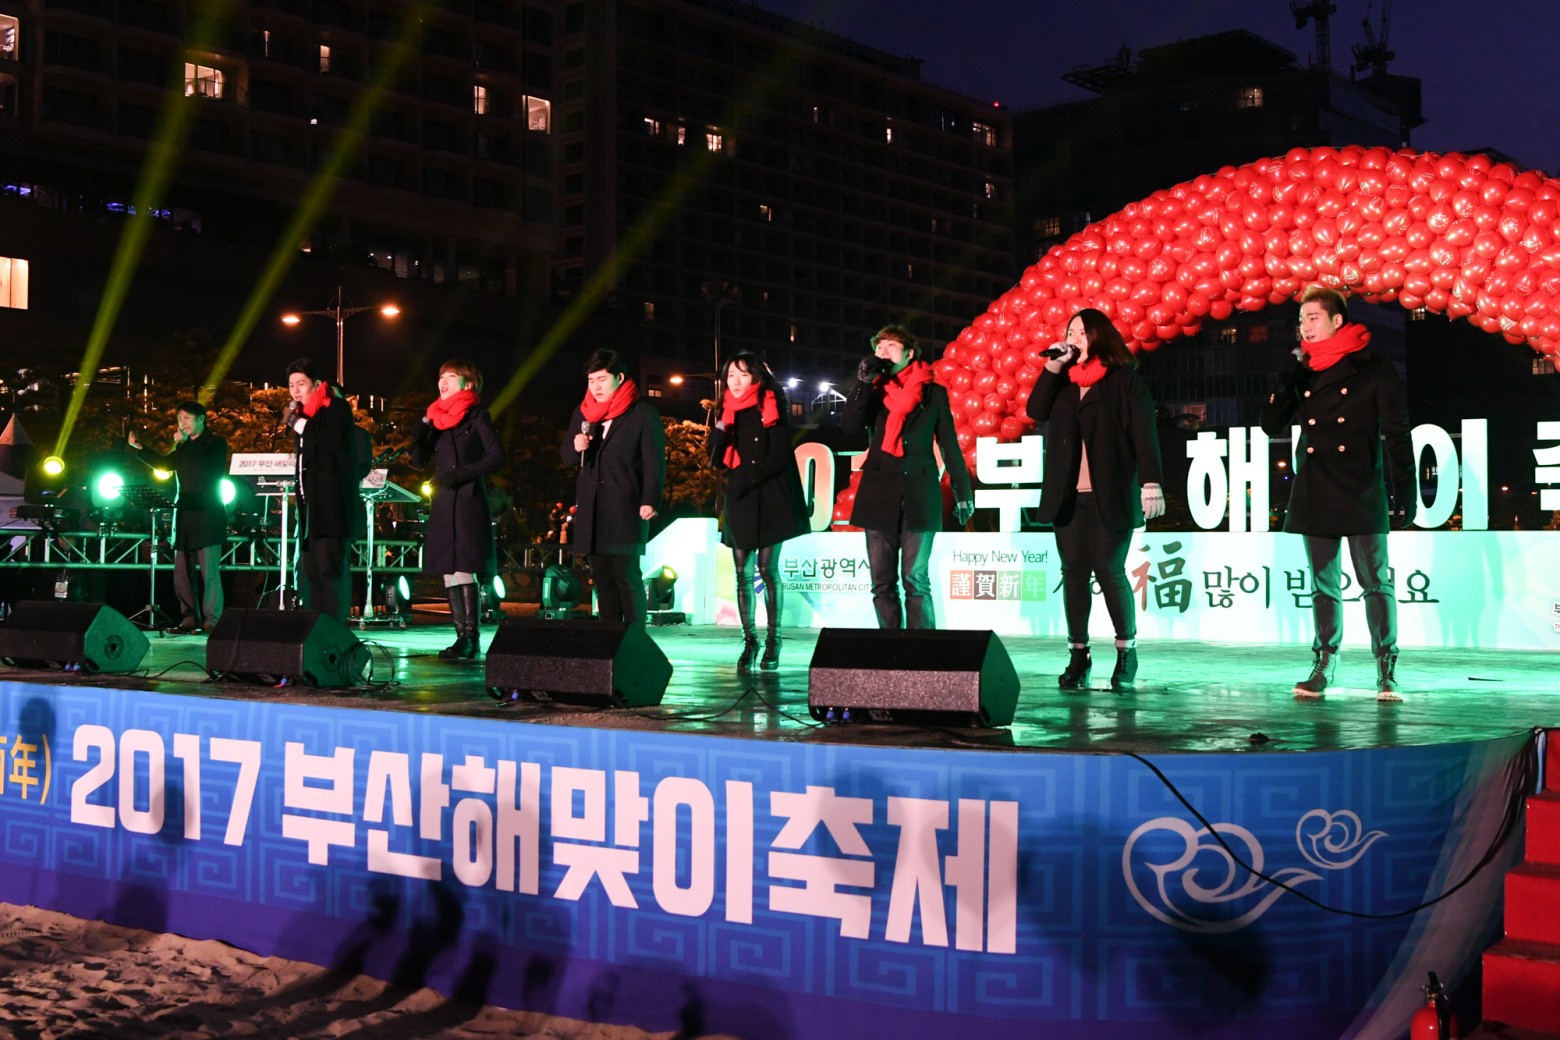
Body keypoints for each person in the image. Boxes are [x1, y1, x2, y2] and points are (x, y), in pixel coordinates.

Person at [1261, 286, 1416, 701]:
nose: (1305, 327)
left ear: (1336, 320)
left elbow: (1398, 432)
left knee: (1375, 582)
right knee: (1322, 585)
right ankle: (1325, 662)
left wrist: (1406, 491)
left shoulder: (1373, 367)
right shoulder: (1304, 370)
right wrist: (1288, 375)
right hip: (1315, 485)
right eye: (1301, 320)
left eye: (1313, 318)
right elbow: (1269, 424)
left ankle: (1386, 666)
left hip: (1361, 486)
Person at [1025, 308, 1165, 691]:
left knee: (1108, 569)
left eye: (1081, 333)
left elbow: (1145, 433)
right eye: (1070, 332)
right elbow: (1034, 410)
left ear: (1099, 337)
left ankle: (1126, 653)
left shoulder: (1124, 380)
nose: (1073, 338)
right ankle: (1078, 655)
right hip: (1068, 496)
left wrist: (1151, 483)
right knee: (1072, 573)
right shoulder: (1063, 382)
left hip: (1111, 493)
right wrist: (1053, 366)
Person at [841, 325, 974, 630]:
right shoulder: (873, 392)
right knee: (881, 581)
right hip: (878, 493)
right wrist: (863, 383)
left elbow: (949, 444)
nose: (882, 352)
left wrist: (963, 493)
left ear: (909, 353)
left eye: (890, 346)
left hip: (919, 494)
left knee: (915, 578)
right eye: (878, 347)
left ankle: (922, 649)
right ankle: (891, 648)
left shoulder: (933, 393)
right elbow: (849, 426)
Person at [707, 351, 810, 672]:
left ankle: (774, 640)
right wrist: (718, 433)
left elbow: (780, 454)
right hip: (739, 497)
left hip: (769, 495)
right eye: (731, 376)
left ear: (756, 377)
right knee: (741, 573)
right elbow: (714, 458)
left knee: (767, 570)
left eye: (743, 375)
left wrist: (748, 479)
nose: (736, 382)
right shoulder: (726, 410)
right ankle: (749, 640)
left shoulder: (771, 404)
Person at [560, 349, 665, 625]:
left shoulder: (643, 414)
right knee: (602, 579)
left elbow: (654, 462)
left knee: (626, 576)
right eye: (591, 380)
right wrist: (575, 446)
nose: (596, 387)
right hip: (592, 509)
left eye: (602, 379)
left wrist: (650, 499)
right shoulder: (583, 413)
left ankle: (634, 638)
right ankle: (609, 638)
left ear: (620, 378)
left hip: (625, 507)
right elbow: (567, 456)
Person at [411, 359, 506, 660]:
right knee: (448, 570)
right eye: (441, 377)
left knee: (464, 565)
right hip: (443, 500)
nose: (443, 382)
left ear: (469, 384)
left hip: (467, 499)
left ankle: (470, 638)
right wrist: (422, 428)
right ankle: (459, 636)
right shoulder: (436, 419)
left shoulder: (477, 416)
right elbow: (417, 459)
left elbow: (496, 457)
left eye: (451, 377)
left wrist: (461, 474)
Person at [128, 401, 229, 634]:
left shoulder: (215, 443)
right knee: (182, 573)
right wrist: (140, 448)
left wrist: (183, 443)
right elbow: (164, 465)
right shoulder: (184, 447)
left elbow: (205, 467)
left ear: (201, 419)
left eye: (186, 418)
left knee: (210, 574)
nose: (182, 423)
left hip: (207, 514)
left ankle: (212, 620)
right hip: (184, 514)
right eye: (179, 419)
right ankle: (188, 619)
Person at [285, 358, 357, 622]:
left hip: (330, 508)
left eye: (301, 383)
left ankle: (335, 630)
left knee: (330, 571)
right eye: (291, 385)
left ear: (317, 384)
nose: (295, 390)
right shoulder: (304, 416)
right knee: (312, 572)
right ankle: (317, 629)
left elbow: (330, 439)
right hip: (308, 509)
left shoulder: (336, 407)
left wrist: (297, 422)